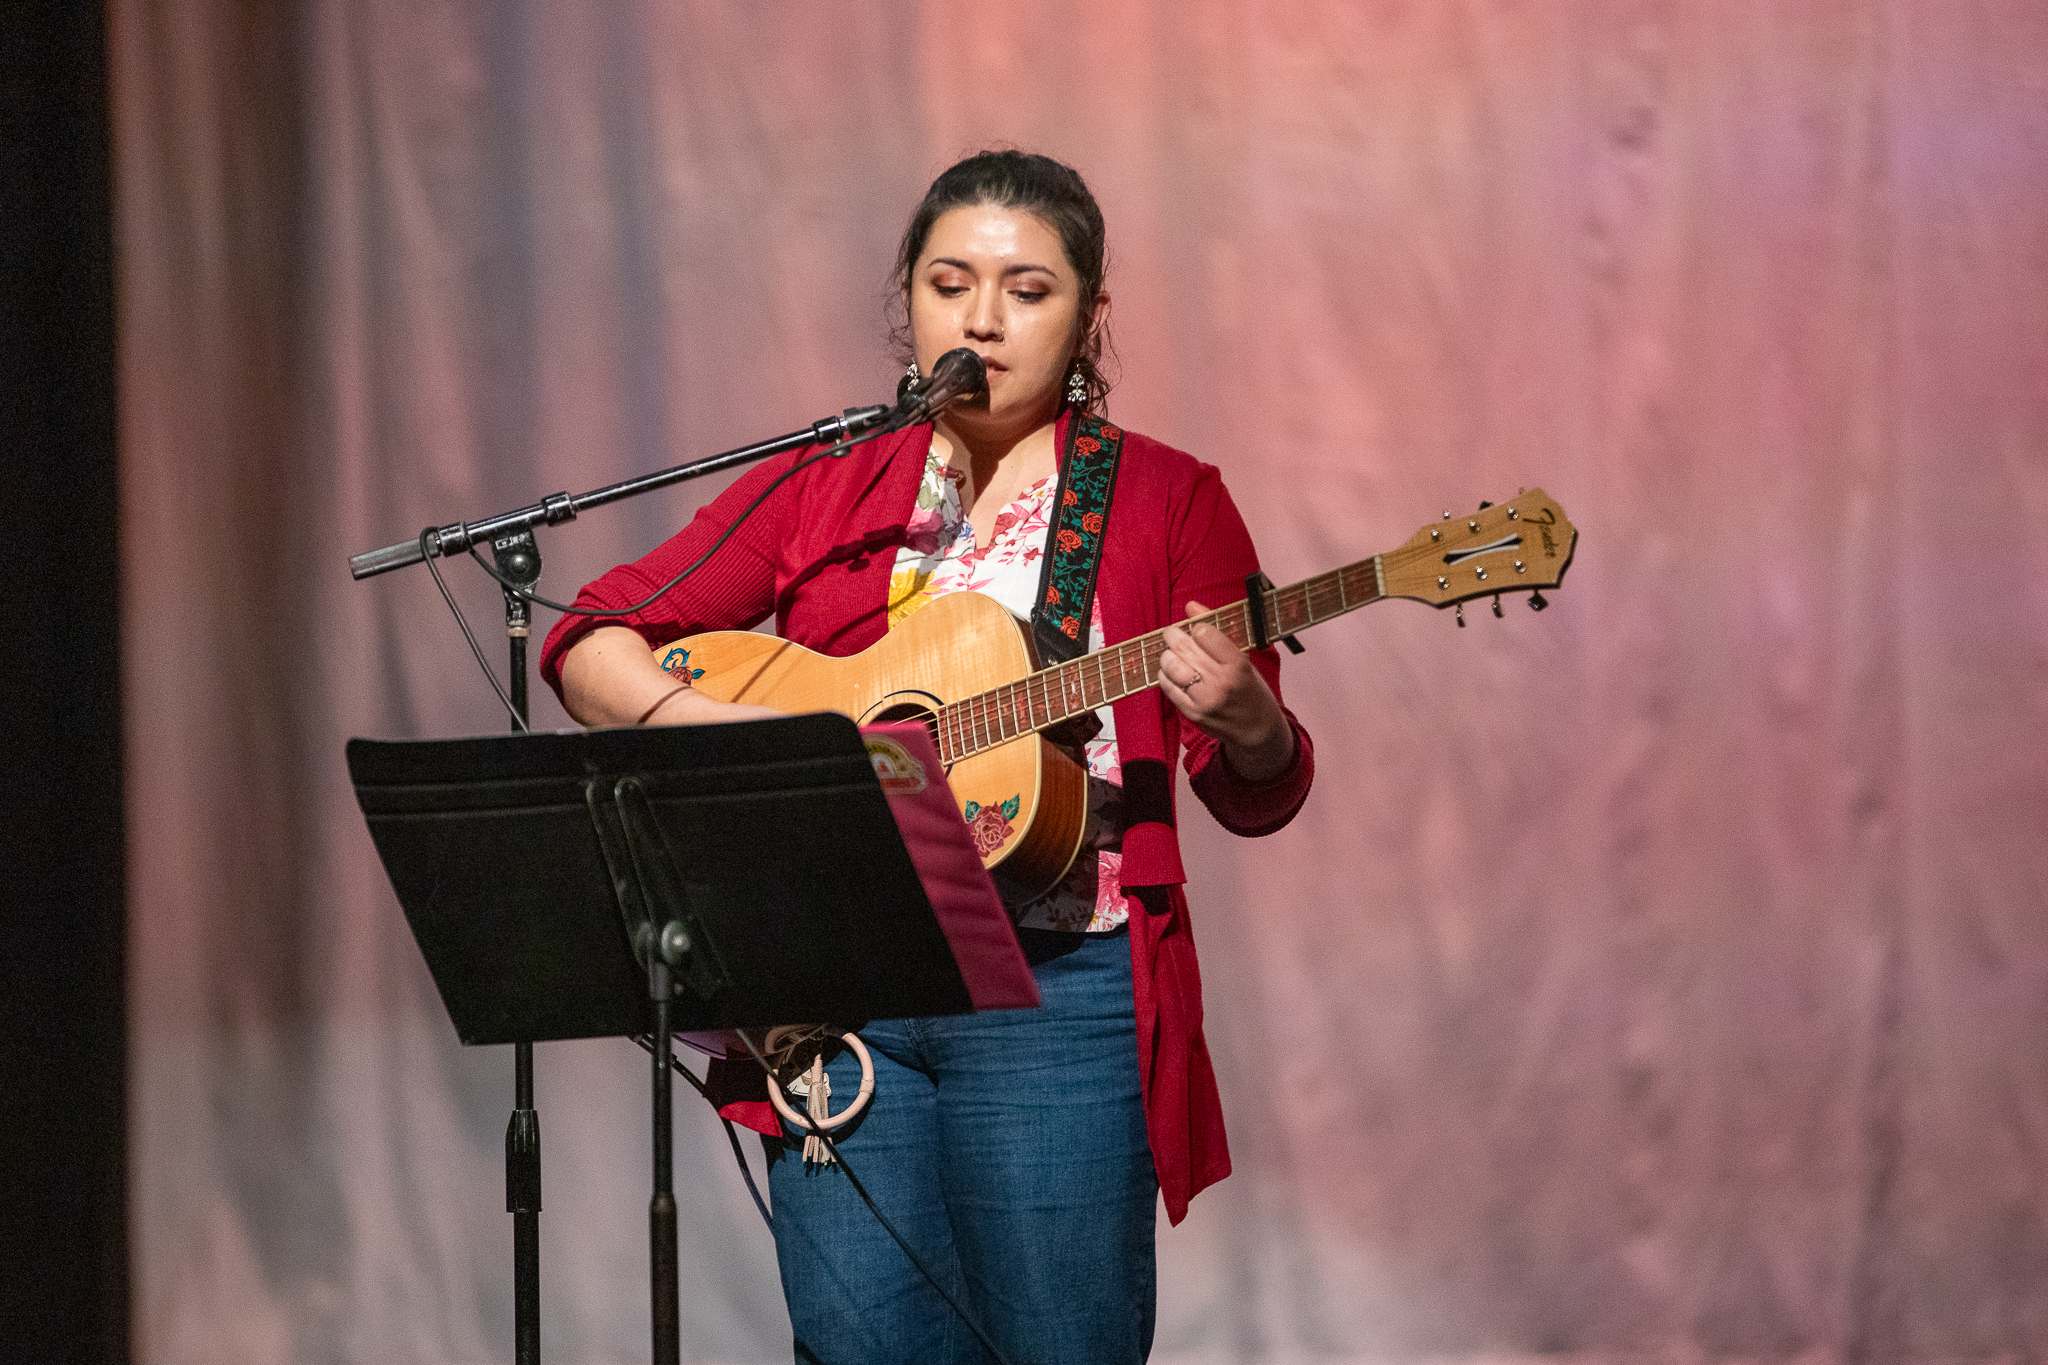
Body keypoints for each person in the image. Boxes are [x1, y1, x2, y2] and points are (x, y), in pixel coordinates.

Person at [539, 150, 1314, 1365]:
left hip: (1057, 993)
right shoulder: (828, 482)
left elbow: (1255, 786)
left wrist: (1249, 724)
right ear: (907, 297)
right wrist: (770, 748)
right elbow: (591, 641)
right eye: (950, 283)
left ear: (1088, 317)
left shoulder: (1166, 500)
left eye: (1026, 289)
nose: (982, 319)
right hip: (838, 989)